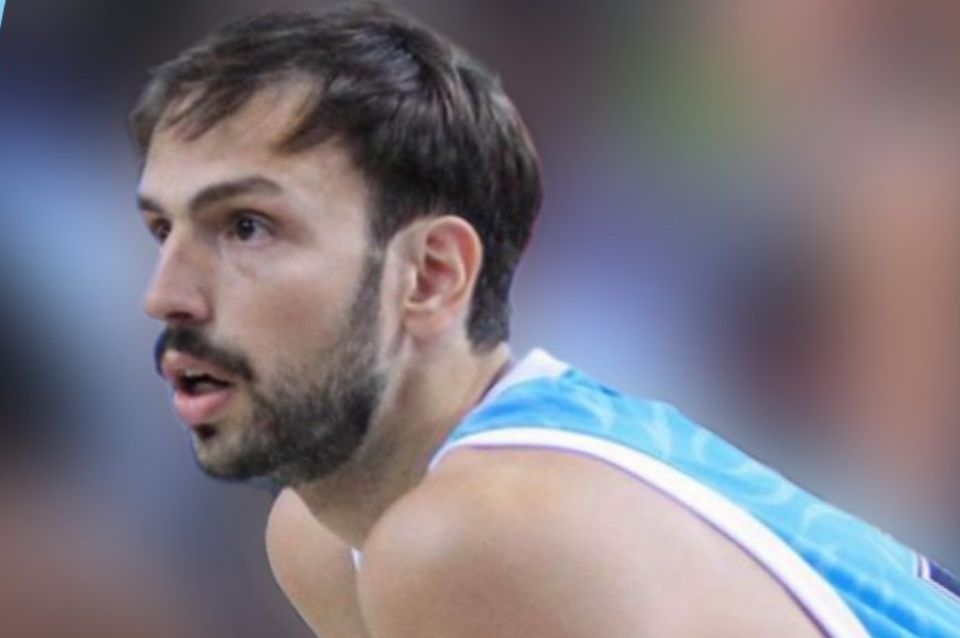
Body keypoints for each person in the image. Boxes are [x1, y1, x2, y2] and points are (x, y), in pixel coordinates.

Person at [131, 4, 960, 637]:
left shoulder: (471, 536)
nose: (166, 295)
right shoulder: (328, 533)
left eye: (249, 229)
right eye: (164, 230)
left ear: (432, 274)